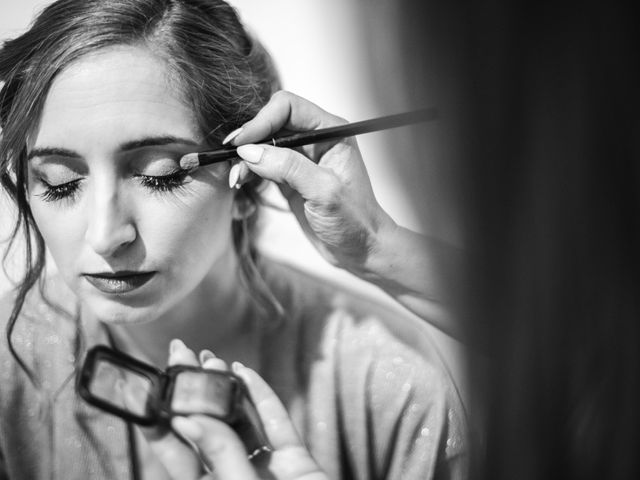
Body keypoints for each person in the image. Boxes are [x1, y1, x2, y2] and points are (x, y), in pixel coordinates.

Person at [0, 0, 466, 479]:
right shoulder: (8, 367)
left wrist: (374, 246)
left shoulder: (387, 375)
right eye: (58, 182)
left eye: (160, 176)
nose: (104, 236)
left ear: (250, 178)